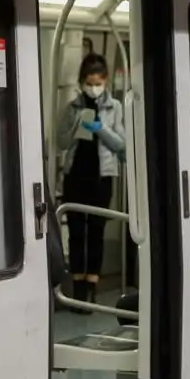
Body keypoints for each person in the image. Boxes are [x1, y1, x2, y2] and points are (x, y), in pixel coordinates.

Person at [56, 53, 126, 309]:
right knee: (76, 233)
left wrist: (100, 128)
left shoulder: (115, 107)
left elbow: (123, 146)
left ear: (105, 81)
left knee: (96, 232)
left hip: (102, 176)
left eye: (97, 82)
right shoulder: (72, 107)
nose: (93, 88)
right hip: (76, 175)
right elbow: (60, 142)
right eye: (89, 82)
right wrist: (77, 125)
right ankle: (77, 289)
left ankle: (92, 288)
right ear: (82, 82)